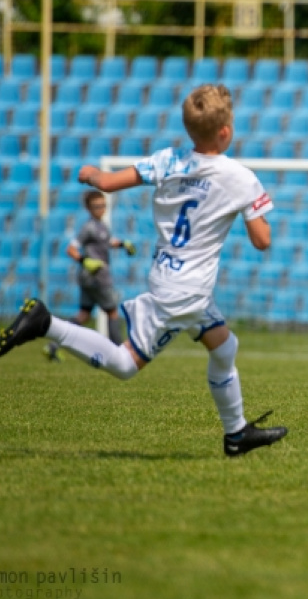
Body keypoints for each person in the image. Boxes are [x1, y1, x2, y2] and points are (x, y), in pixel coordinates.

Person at [0, 84, 288, 456]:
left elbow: (106, 182)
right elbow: (262, 241)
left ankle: (236, 435)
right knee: (124, 364)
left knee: (225, 346)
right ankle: (45, 323)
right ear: (226, 131)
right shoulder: (240, 178)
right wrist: (255, 209)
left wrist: (89, 174)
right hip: (185, 295)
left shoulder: (169, 159)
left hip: (172, 279)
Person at [42, 190, 137, 362]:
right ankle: (120, 353)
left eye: (103, 205)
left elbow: (107, 242)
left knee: (83, 315)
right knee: (113, 312)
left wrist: (123, 244)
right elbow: (71, 249)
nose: (101, 209)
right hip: (96, 276)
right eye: (96, 206)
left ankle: (53, 346)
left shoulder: (101, 226)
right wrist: (85, 260)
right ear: (88, 208)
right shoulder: (88, 227)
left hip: (89, 278)